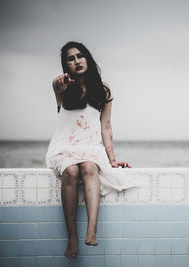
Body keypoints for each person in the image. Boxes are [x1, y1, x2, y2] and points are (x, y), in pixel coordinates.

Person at [46, 41, 140, 258]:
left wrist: (112, 159)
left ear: (87, 57)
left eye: (80, 56)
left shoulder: (103, 89)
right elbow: (55, 85)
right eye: (70, 59)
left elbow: (106, 125)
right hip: (64, 146)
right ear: (65, 65)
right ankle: (72, 237)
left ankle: (91, 230)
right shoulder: (62, 88)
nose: (76, 61)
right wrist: (58, 85)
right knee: (70, 171)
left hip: (90, 147)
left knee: (89, 168)